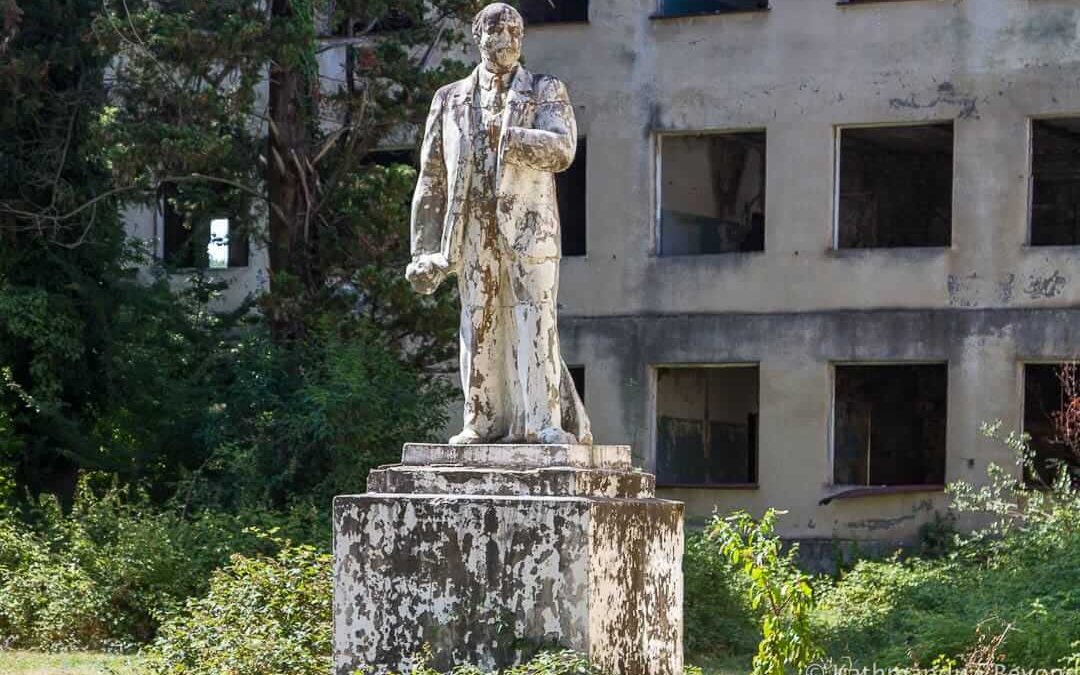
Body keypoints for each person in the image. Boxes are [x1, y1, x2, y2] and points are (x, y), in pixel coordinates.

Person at [405, 2, 591, 446]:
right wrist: (422, 251)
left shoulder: (546, 89)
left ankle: (542, 423)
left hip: (529, 231)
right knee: (479, 321)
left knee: (535, 320)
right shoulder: (448, 100)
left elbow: (563, 148)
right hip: (470, 234)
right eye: (496, 32)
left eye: (513, 32)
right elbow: (431, 180)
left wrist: (509, 138)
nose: (506, 40)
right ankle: (480, 422)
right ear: (478, 37)